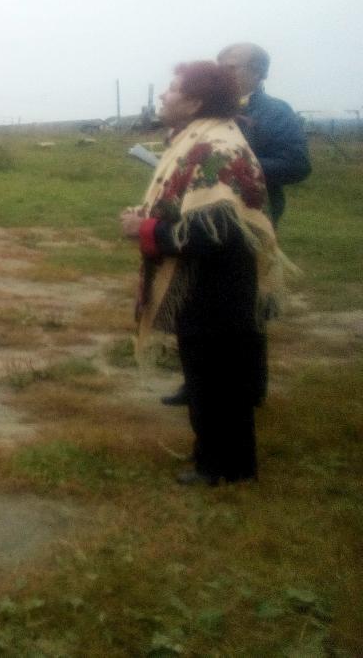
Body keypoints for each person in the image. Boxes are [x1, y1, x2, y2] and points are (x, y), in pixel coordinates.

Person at [119, 62, 285, 486]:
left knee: (217, 380)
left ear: (195, 102)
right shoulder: (202, 138)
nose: (163, 96)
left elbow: (215, 231)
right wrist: (150, 217)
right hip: (210, 281)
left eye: (172, 89)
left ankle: (224, 468)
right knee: (211, 375)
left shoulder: (214, 148)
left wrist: (146, 230)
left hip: (216, 284)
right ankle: (222, 461)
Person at [216, 43, 312, 227]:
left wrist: (235, 166)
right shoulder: (205, 109)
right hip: (200, 213)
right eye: (218, 68)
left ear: (258, 73)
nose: (220, 74)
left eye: (231, 68)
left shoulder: (276, 111)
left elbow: (297, 165)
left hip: (251, 214)